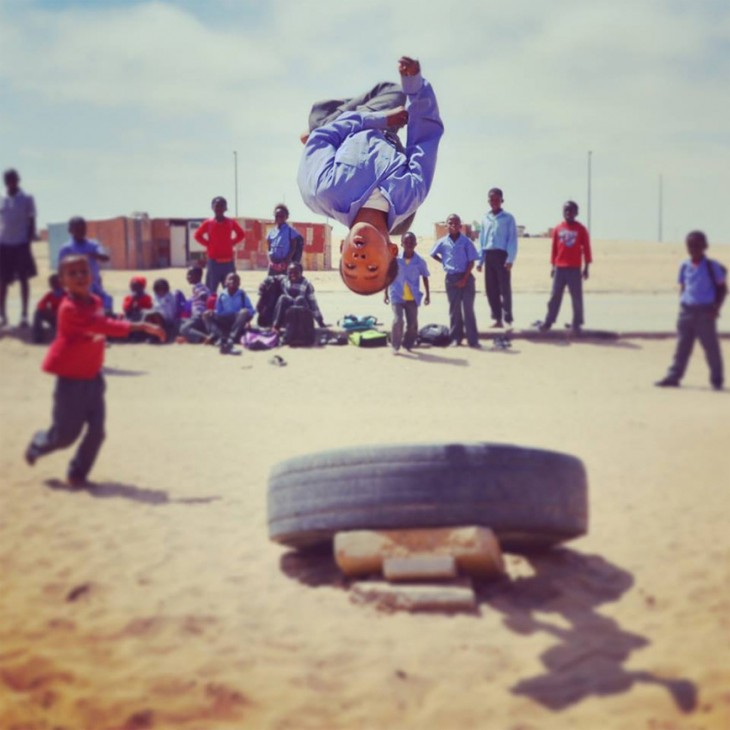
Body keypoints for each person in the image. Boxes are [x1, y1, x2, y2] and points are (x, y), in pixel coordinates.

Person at [298, 55, 444, 296]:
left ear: (342, 247)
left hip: (350, 125)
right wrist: (416, 86)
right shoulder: (411, 193)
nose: (360, 259)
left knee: (321, 120)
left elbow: (324, 137)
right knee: (396, 90)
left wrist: (379, 119)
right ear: (392, 251)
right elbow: (424, 138)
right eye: (372, 267)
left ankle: (322, 116)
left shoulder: (322, 194)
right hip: (387, 129)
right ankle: (329, 114)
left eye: (350, 265)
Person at [24, 255, 164, 487]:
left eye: (83, 271)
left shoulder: (96, 302)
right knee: (65, 436)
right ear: (62, 281)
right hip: (70, 381)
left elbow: (101, 326)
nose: (79, 276)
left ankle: (77, 472)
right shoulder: (69, 309)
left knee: (97, 432)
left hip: (93, 377)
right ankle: (39, 443)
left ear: (92, 275)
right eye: (72, 273)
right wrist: (140, 325)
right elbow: (100, 326)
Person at [656, 230, 726, 391]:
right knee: (682, 347)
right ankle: (673, 377)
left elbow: (722, 289)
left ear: (704, 246)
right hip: (686, 311)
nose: (693, 248)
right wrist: (683, 303)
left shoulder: (712, 266)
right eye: (690, 245)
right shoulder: (684, 265)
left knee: (711, 348)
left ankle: (717, 380)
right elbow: (683, 286)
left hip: (705, 312)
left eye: (696, 245)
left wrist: (716, 308)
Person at [538, 201, 592, 333]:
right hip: (559, 268)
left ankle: (577, 322)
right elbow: (554, 249)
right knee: (555, 296)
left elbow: (586, 249)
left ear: (576, 213)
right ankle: (549, 321)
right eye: (566, 210)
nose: (569, 213)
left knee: (576, 297)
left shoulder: (581, 229)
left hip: (574, 268)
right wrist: (553, 266)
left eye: (571, 210)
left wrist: (586, 268)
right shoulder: (558, 229)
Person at [431, 214, 481, 348]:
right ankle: (455, 339)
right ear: (446, 225)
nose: (453, 225)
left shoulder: (466, 242)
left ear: (460, 225)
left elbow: (471, 262)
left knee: (468, 309)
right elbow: (433, 254)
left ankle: (473, 340)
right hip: (451, 279)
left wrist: (464, 279)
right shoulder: (442, 242)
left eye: (456, 223)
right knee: (454, 310)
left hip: (466, 277)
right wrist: (444, 262)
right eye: (450, 223)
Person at [0, 168, 37, 327]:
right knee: (1, 281)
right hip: (3, 245)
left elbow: (32, 221)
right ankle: (2, 316)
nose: (10, 181)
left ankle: (24, 315)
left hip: (21, 244)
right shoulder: (2, 199)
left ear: (18, 180)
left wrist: (28, 241)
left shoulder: (27, 198)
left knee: (23, 280)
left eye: (13, 178)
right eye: (7, 179)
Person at [476, 187, 518, 328]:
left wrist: (510, 259)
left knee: (504, 288)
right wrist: (480, 261)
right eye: (491, 199)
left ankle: (508, 318)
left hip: (502, 256)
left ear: (502, 200)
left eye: (496, 199)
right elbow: (482, 240)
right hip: (489, 255)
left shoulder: (508, 218)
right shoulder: (485, 219)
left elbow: (512, 239)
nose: (494, 202)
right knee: (491, 289)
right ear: (488, 201)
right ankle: (497, 318)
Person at [384, 231, 430, 353]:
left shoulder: (420, 261)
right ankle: (395, 345)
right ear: (402, 244)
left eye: (411, 242)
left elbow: (425, 276)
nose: (409, 244)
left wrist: (428, 295)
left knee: (412, 325)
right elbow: (388, 276)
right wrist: (385, 293)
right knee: (398, 320)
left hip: (412, 297)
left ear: (415, 244)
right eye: (406, 242)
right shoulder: (395, 260)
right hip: (397, 295)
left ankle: (408, 344)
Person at [58, 216, 114, 313]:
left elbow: (105, 257)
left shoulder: (93, 245)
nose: (81, 231)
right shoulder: (66, 248)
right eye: (77, 228)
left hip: (94, 287)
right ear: (70, 230)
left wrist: (89, 255)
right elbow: (60, 270)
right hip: (75, 290)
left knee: (107, 304)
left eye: (83, 228)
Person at [194, 196, 245, 294]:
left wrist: (231, 242)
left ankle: (230, 308)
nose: (219, 208)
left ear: (225, 208)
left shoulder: (230, 222)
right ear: (212, 207)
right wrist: (208, 244)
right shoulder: (208, 223)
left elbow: (241, 234)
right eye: (216, 206)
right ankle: (210, 308)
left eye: (222, 206)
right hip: (214, 262)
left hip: (228, 263)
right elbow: (197, 235)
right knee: (210, 290)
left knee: (231, 289)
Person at [205, 272, 255, 355]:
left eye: (235, 280)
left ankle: (231, 337)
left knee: (244, 311)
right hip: (224, 318)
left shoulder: (242, 294)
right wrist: (212, 312)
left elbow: (251, 310)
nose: (232, 281)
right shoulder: (222, 295)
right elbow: (219, 311)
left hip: (236, 319)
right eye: (230, 279)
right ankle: (220, 336)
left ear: (239, 283)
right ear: (225, 282)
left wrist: (247, 320)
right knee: (206, 314)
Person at [272, 262, 326, 330]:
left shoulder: (306, 284)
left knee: (299, 299)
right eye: (290, 272)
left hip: (302, 314)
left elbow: (313, 304)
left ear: (301, 273)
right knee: (283, 298)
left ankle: (302, 328)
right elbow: (272, 279)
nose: (292, 275)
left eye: (295, 272)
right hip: (289, 314)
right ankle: (276, 327)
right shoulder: (284, 281)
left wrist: (320, 321)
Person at [179, 266, 213, 344]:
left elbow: (203, 295)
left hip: (199, 315)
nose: (188, 277)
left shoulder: (198, 286)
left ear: (198, 276)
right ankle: (191, 337)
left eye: (190, 275)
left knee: (183, 329)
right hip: (198, 316)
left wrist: (203, 297)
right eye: (187, 274)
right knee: (179, 322)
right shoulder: (201, 286)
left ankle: (205, 338)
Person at [267, 204, 304, 274]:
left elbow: (293, 248)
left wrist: (285, 262)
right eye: (277, 216)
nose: (279, 218)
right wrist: (271, 261)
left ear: (286, 217)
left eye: (281, 216)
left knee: (285, 284)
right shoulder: (271, 232)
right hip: (273, 265)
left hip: (285, 265)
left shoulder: (291, 231)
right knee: (271, 284)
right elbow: (269, 248)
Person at [33, 273, 65, 344]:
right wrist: (46, 309)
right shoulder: (50, 295)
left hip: (64, 320)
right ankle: (38, 336)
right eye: (53, 283)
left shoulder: (67, 295)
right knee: (38, 312)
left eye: (56, 283)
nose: (55, 285)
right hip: (54, 317)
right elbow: (40, 304)